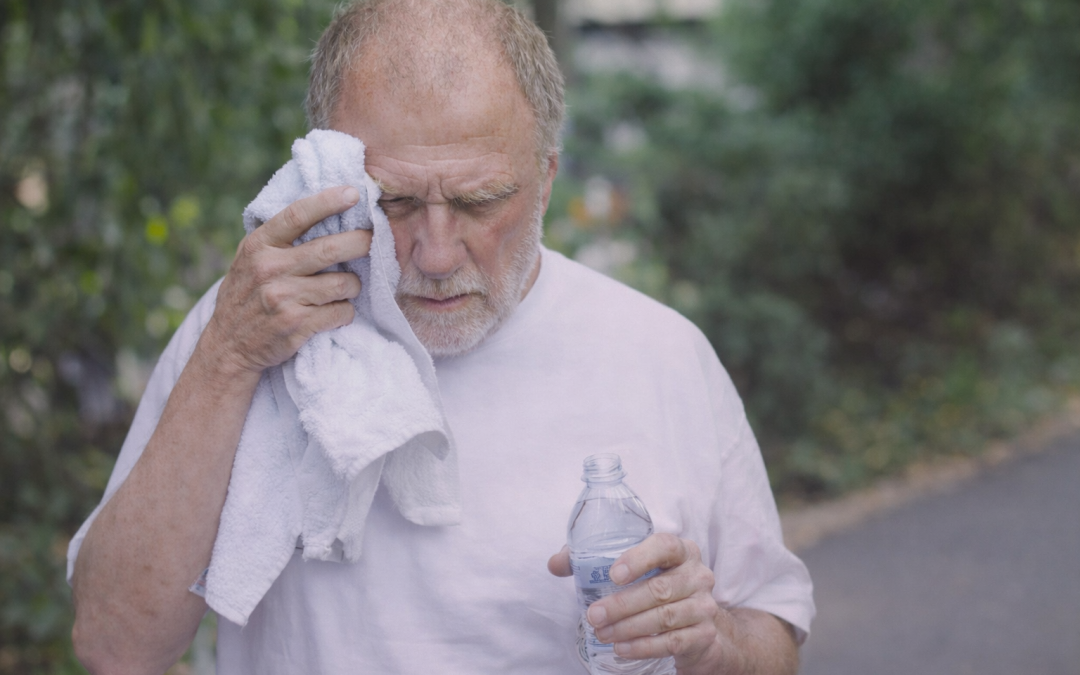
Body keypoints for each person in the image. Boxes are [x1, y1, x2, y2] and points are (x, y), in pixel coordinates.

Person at [68, 1, 814, 673]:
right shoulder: (251, 326)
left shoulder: (660, 354)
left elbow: (772, 640)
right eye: (391, 201)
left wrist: (708, 637)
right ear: (325, 171)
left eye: (478, 200)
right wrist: (230, 357)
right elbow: (113, 645)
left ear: (547, 177)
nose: (433, 252)